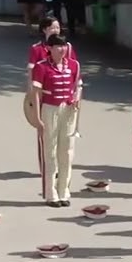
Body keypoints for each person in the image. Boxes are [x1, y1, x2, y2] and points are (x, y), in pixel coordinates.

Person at [27, 35, 83, 208]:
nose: (62, 49)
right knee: (50, 151)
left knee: (67, 151)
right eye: (57, 46)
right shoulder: (41, 66)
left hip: (68, 109)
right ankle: (51, 194)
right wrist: (36, 117)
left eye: (64, 46)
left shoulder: (74, 65)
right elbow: (36, 93)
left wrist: (76, 98)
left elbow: (78, 86)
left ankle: (64, 191)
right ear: (49, 48)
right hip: (49, 109)